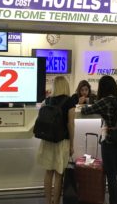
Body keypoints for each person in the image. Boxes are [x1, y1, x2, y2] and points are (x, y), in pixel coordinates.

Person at [81, 75, 117, 204]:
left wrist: (83, 104)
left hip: (110, 141)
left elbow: (86, 111)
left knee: (111, 174)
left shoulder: (107, 100)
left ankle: (113, 201)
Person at [36, 76, 75, 204]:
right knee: (59, 174)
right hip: (62, 141)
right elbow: (71, 124)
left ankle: (48, 201)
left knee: (48, 172)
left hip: (47, 140)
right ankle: (56, 201)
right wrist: (72, 144)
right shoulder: (69, 102)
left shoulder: (47, 101)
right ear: (65, 86)